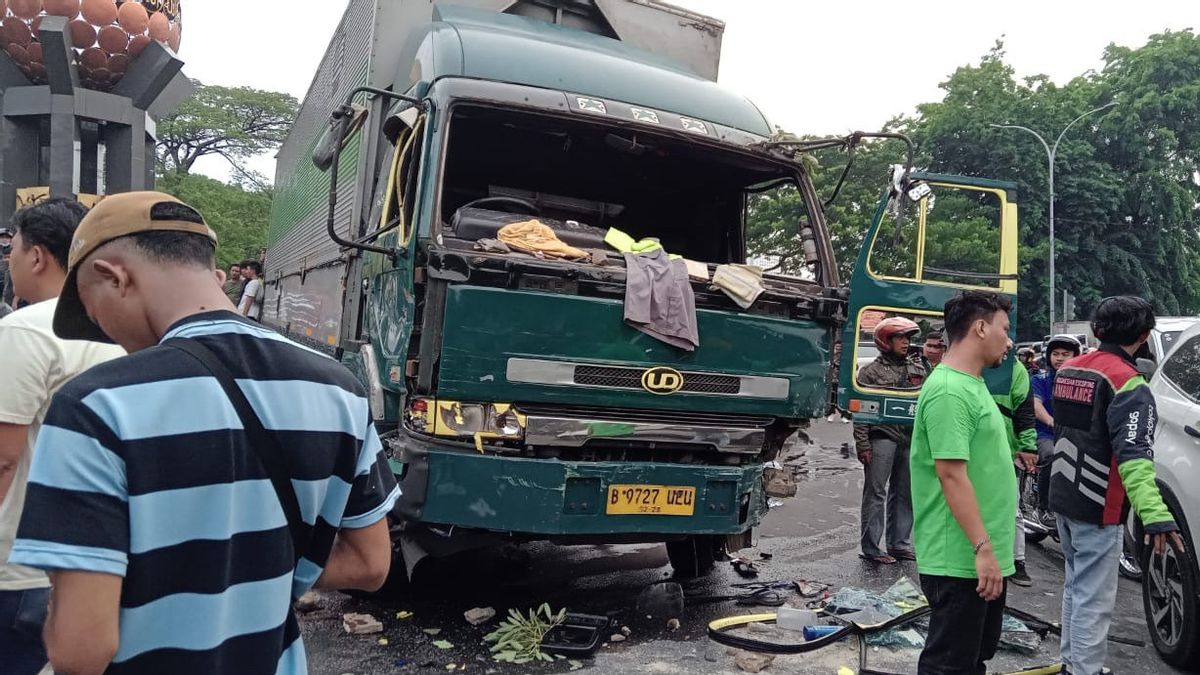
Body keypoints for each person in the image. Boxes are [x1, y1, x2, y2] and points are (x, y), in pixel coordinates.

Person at [9, 192, 399, 674]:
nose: (106, 334)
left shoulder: (94, 405)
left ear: (115, 276)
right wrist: (247, 572)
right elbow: (370, 564)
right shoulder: (342, 389)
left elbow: (80, 650)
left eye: (94, 314)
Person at [0, 199, 125, 675]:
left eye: (12, 249)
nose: (8, 261)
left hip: (17, 566)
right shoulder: (118, 325)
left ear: (37, 256)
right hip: (94, 563)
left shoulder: (26, 331)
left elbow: (3, 458)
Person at [1048, 296, 1181, 675]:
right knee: (1095, 596)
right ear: (1144, 336)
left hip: (1062, 494)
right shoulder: (1128, 383)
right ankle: (1084, 670)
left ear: (1095, 330)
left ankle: (1073, 664)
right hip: (1097, 504)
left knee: (1076, 585)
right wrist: (1155, 515)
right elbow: (1135, 458)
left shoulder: (1069, 368)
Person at [910, 290, 1015, 674]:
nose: (1010, 338)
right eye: (1005, 328)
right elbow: (951, 474)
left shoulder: (972, 383)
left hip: (982, 556)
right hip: (961, 558)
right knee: (949, 665)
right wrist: (983, 549)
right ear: (981, 327)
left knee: (972, 659)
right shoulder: (950, 391)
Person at [854, 317, 925, 564]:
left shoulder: (918, 370)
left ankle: (899, 544)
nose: (906, 343)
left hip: (910, 438)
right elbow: (861, 410)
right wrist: (862, 443)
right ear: (886, 340)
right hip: (881, 437)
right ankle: (872, 548)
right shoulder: (870, 372)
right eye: (900, 337)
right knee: (875, 493)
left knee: (905, 493)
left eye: (908, 338)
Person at [991, 359, 1038, 587]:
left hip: (1005, 448)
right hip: (968, 447)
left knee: (1012, 507)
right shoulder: (966, 359)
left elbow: (1024, 408)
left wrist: (1027, 446)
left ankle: (1016, 561)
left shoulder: (1014, 369)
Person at [1030, 334, 1082, 525]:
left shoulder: (1084, 380)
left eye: (1065, 354)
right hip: (1045, 434)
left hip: (1075, 433)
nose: (1059, 358)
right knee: (1052, 455)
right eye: (1056, 354)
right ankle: (1044, 508)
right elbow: (1036, 406)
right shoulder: (1040, 379)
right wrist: (1052, 422)